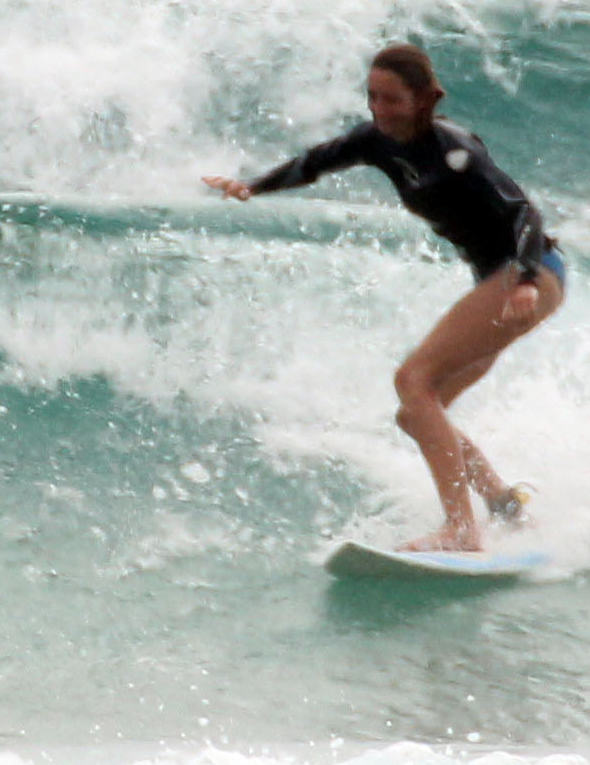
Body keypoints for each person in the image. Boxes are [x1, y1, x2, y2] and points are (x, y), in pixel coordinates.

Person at [204, 44, 565, 552]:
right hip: (505, 282)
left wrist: (526, 278)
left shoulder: (456, 151)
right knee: (417, 411)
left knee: (411, 381)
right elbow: (315, 162)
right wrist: (251, 188)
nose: (379, 109)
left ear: (422, 100)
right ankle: (505, 505)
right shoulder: (376, 142)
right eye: (373, 97)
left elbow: (524, 214)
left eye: (391, 99)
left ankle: (462, 532)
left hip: (529, 277)